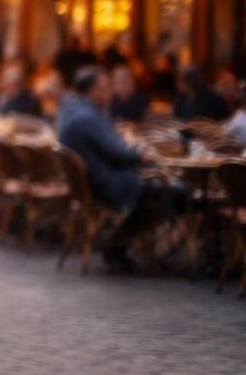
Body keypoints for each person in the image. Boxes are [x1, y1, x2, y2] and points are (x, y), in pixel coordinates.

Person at [58, 66, 176, 271]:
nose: (110, 92)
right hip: (105, 184)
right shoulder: (88, 116)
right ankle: (117, 246)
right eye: (105, 88)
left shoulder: (71, 109)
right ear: (93, 90)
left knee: (163, 190)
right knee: (169, 191)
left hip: (90, 183)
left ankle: (117, 245)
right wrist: (141, 153)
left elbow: (112, 147)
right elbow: (121, 153)